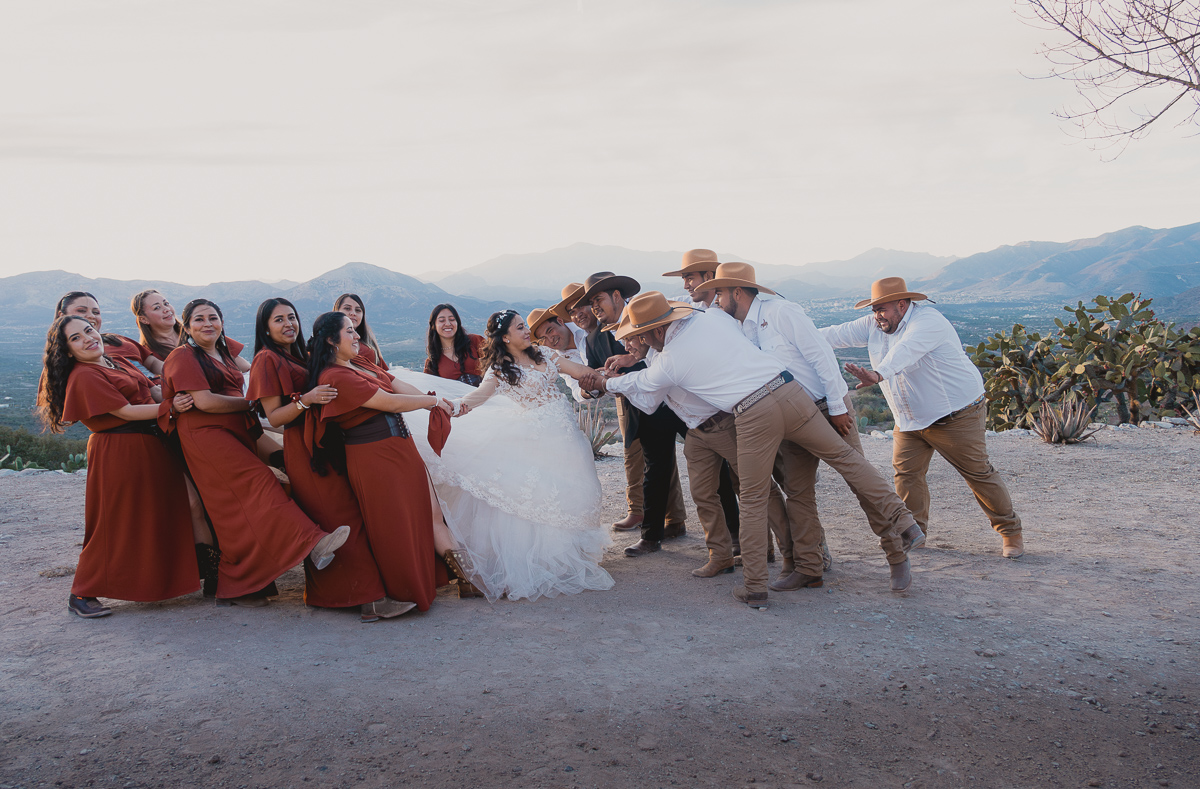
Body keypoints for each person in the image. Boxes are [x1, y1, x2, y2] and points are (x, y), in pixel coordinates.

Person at [588, 292, 924, 608]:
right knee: (845, 460)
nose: (643, 342)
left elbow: (642, 387)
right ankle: (905, 521)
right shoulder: (713, 319)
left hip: (753, 411)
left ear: (659, 328)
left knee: (752, 496)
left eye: (644, 335)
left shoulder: (672, 359)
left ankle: (754, 586)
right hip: (789, 390)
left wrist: (603, 382)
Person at [702, 262, 911, 590]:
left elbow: (821, 356)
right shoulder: (739, 327)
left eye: (718, 293)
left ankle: (897, 555)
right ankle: (810, 568)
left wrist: (838, 408)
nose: (715, 300)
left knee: (857, 479)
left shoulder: (782, 312)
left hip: (828, 407)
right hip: (791, 414)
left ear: (737, 292)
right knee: (798, 492)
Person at [397, 309, 614, 602]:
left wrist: (606, 381)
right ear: (505, 337)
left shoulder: (544, 354)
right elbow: (475, 399)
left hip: (567, 438)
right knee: (542, 494)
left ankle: (571, 553)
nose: (527, 332)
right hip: (536, 440)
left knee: (573, 491)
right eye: (521, 327)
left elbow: (579, 373)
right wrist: (447, 407)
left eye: (525, 326)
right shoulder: (500, 370)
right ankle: (547, 562)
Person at [160, 299, 349, 607]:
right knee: (261, 483)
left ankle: (241, 584)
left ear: (222, 322)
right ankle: (313, 543)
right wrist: (256, 402)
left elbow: (260, 368)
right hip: (206, 437)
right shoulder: (183, 356)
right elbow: (205, 402)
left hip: (239, 431)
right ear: (186, 326)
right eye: (199, 319)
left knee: (235, 512)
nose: (207, 324)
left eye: (213, 318)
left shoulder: (223, 352)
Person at [821, 277, 1024, 558]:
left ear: (902, 305)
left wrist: (878, 374)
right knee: (906, 475)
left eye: (882, 309)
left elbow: (906, 352)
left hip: (955, 414)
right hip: (909, 418)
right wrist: (791, 337)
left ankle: (1010, 533)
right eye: (874, 309)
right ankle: (914, 533)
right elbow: (833, 334)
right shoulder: (874, 324)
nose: (876, 315)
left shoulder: (929, 321)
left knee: (978, 474)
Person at [247, 299, 414, 622]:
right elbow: (275, 417)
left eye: (292, 317)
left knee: (346, 519)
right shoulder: (266, 359)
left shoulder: (297, 354)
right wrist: (305, 401)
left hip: (328, 444)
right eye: (278, 319)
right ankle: (372, 601)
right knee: (341, 519)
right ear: (265, 327)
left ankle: (332, 595)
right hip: (305, 448)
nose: (287, 324)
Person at [36, 316, 199, 618]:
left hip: (149, 445)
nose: (87, 338)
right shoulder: (84, 375)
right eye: (76, 338)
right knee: (115, 522)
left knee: (164, 511)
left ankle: (180, 574)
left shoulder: (112, 361)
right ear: (68, 351)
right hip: (120, 451)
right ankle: (82, 591)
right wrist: (171, 408)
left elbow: (151, 390)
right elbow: (124, 411)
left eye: (89, 330)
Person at [311, 311, 468, 612]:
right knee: (395, 525)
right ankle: (406, 590)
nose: (357, 335)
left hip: (399, 446)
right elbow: (388, 402)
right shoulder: (334, 376)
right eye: (348, 332)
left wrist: (431, 399)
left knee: (425, 514)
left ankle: (462, 578)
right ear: (331, 340)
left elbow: (393, 383)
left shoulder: (357, 362)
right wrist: (432, 402)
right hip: (374, 455)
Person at [570, 272, 688, 551]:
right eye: (591, 302)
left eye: (598, 299)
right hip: (642, 408)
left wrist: (632, 362)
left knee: (711, 466)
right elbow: (602, 380)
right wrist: (596, 383)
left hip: (683, 401)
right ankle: (651, 535)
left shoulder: (652, 314)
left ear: (617, 296)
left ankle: (730, 535)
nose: (594, 307)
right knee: (655, 470)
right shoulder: (594, 340)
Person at [56, 291, 162, 381]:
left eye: (96, 312)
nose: (91, 316)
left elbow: (153, 363)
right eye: (81, 311)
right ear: (62, 316)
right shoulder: (62, 363)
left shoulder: (118, 339)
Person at [528, 308, 586, 402]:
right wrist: (585, 391)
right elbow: (575, 389)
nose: (550, 340)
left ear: (560, 321)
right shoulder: (557, 360)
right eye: (543, 339)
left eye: (550, 331)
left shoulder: (584, 327)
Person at [424, 303, 484, 386]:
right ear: (434, 325)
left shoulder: (475, 341)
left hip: (488, 396)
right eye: (442, 320)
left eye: (452, 319)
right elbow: (429, 388)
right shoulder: (432, 361)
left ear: (458, 323)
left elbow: (498, 363)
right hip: (457, 398)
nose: (448, 324)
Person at [334, 293, 388, 369]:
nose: (353, 313)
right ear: (336, 311)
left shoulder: (369, 342)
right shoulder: (328, 343)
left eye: (358, 310)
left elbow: (383, 371)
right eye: (347, 308)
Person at [130, 289, 183, 365]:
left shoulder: (194, 335)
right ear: (144, 319)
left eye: (166, 303)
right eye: (157, 308)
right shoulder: (148, 356)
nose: (167, 309)